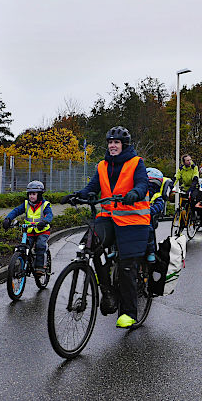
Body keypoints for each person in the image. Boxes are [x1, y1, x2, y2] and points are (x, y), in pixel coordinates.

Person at [61, 126, 149, 329]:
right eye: (110, 142)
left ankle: (129, 313)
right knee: (90, 246)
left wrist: (135, 193)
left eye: (116, 142)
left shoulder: (136, 163)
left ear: (124, 145)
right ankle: (108, 291)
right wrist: (78, 195)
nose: (112, 145)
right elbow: (92, 187)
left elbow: (142, 184)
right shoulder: (102, 165)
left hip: (133, 220)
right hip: (109, 217)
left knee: (127, 267)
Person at [2, 180, 53, 276]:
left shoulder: (45, 205)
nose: (31, 196)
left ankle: (40, 267)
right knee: (24, 247)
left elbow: (49, 215)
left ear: (40, 194)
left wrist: (45, 221)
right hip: (29, 231)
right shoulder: (26, 204)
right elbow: (16, 211)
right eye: (29, 194)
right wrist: (8, 219)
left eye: (34, 194)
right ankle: (24, 263)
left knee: (40, 245)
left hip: (42, 231)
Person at [145, 167, 172, 263]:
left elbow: (159, 206)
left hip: (147, 218)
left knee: (149, 231)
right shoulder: (140, 192)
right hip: (137, 215)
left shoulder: (157, 195)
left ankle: (151, 252)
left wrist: (148, 210)